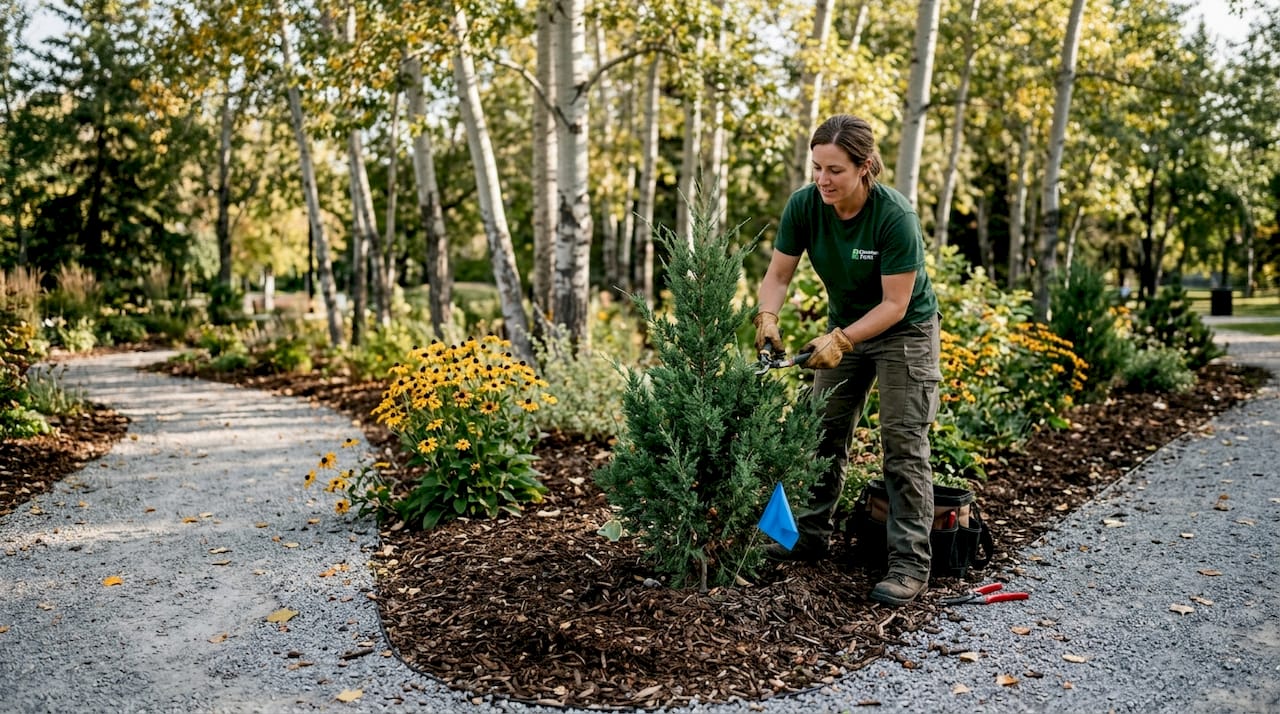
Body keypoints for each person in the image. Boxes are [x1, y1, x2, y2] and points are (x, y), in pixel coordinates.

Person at [754, 114, 942, 607]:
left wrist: (840, 339)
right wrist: (768, 317)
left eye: (834, 169)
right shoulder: (805, 206)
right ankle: (809, 537)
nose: (822, 180)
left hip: (905, 332)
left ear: (864, 167)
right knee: (822, 432)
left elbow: (895, 305)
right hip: (846, 327)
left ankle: (908, 564)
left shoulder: (893, 216)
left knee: (903, 444)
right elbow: (777, 274)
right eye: (816, 167)